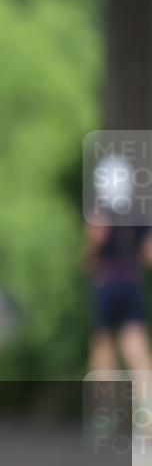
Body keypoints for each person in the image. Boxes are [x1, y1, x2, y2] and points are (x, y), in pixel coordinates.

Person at [85, 156, 152, 374]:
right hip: (131, 280)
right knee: (135, 341)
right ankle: (146, 391)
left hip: (106, 282)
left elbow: (95, 243)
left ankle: (104, 393)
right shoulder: (138, 214)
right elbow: (148, 253)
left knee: (102, 344)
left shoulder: (99, 213)